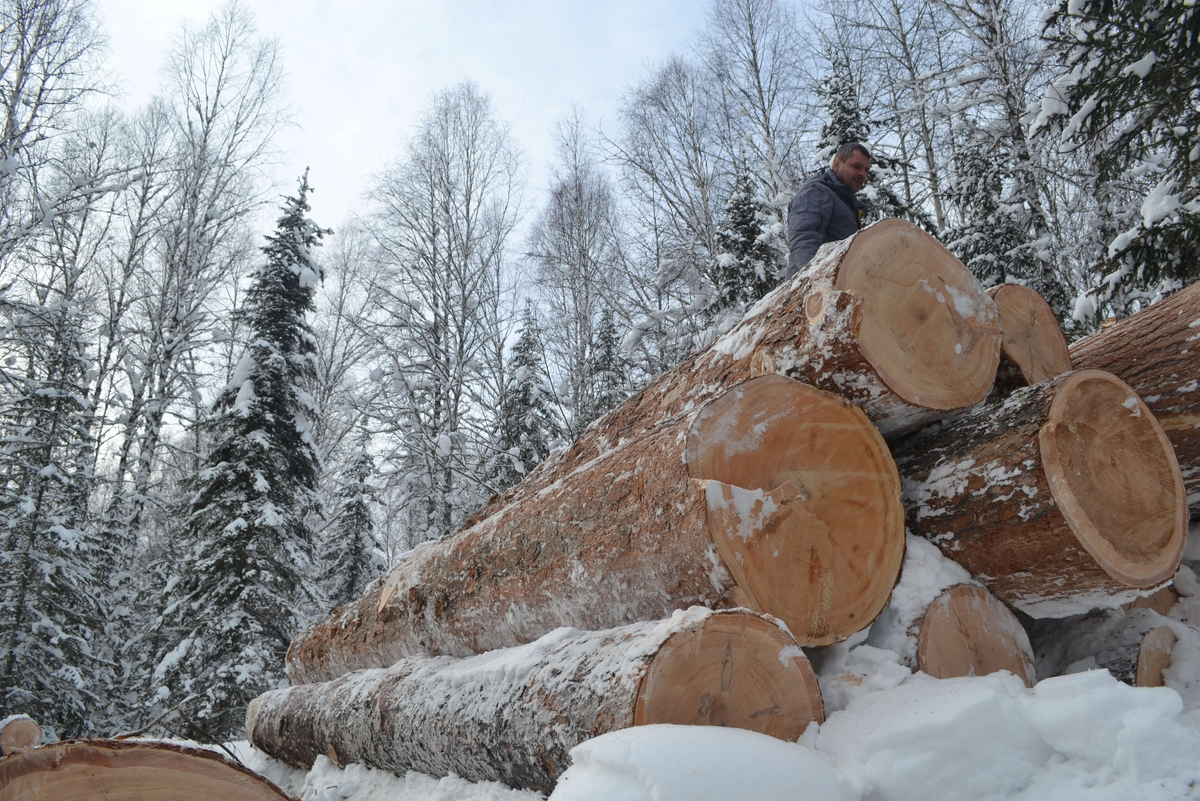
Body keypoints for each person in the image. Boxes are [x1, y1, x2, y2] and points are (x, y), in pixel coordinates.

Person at [785, 142, 871, 278]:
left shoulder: (844, 201)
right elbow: (804, 239)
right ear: (837, 163)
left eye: (866, 170)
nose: (863, 174)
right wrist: (817, 281)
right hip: (814, 292)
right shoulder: (818, 192)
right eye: (856, 166)